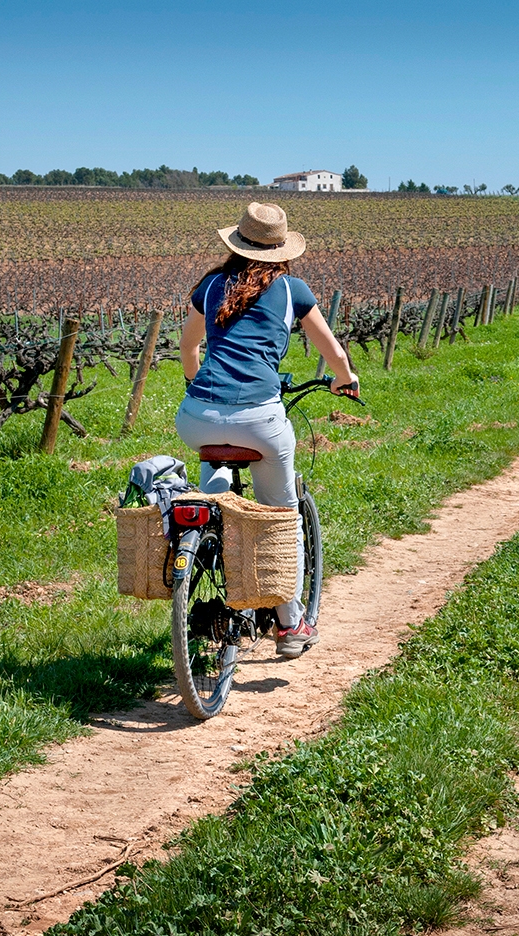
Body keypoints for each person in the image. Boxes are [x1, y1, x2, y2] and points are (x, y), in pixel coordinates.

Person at [176, 202, 359, 659]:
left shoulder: (212, 285)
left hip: (196, 416)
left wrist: (195, 383)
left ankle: (208, 548)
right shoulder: (292, 290)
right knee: (281, 514)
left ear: (237, 243)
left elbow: (188, 347)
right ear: (281, 249)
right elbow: (333, 352)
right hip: (260, 419)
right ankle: (290, 623)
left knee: (215, 498)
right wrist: (345, 379)